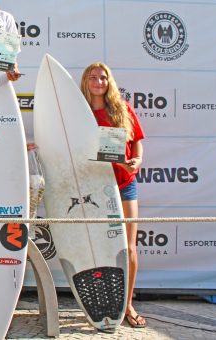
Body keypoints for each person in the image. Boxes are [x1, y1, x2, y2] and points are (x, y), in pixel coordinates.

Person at [80, 62, 146, 329]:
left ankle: (128, 304)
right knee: (100, 249)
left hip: (125, 185)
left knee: (129, 247)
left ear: (109, 82)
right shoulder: (79, 113)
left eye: (103, 77)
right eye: (93, 77)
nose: (98, 81)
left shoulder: (121, 108)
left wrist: (137, 160)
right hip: (95, 188)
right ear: (85, 81)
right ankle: (102, 304)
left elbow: (137, 140)